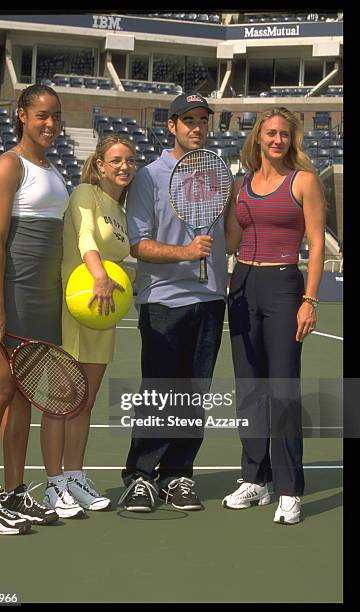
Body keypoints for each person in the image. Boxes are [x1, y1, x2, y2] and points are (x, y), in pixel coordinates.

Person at [118, 93, 227, 512]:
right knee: (160, 392)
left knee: (194, 394)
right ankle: (141, 476)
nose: (197, 127)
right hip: (163, 300)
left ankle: (179, 474)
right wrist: (185, 253)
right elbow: (138, 244)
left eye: (203, 120)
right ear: (172, 126)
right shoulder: (148, 176)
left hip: (210, 297)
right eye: (189, 121)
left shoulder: (219, 175)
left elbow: (231, 233)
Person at [0, 84, 69, 534]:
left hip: (45, 296)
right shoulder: (8, 165)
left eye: (55, 116)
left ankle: (12, 493)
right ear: (22, 114)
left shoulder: (51, 167)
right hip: (13, 293)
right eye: (41, 115)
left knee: (27, 395)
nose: (50, 124)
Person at [222, 106, 325, 524]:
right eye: (270, 133)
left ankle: (288, 489)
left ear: (291, 139)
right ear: (257, 138)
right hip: (242, 286)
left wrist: (310, 299)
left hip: (284, 287)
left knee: (282, 391)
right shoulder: (239, 186)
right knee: (250, 389)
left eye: (284, 133)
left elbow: (316, 245)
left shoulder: (304, 182)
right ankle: (255, 479)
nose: (277, 140)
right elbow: (231, 240)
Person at [40, 135, 137, 518]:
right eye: (115, 160)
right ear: (99, 165)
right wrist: (97, 274)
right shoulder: (85, 193)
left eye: (130, 160)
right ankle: (53, 484)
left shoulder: (123, 210)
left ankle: (76, 476)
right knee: (61, 400)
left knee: (85, 401)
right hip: (75, 304)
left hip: (104, 313)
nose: (124, 166)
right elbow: (83, 238)